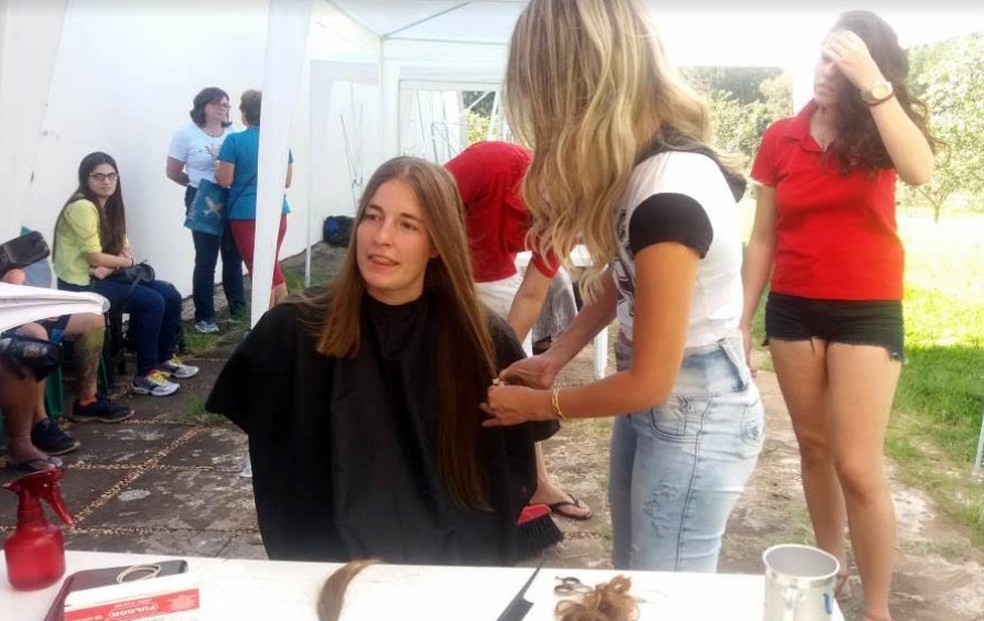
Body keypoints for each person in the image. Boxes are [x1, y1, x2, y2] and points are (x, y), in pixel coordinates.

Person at [483, 0, 764, 573]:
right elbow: (626, 277)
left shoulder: (667, 196)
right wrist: (556, 354)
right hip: (666, 402)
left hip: (693, 408)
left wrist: (537, 405)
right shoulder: (644, 171)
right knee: (637, 572)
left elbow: (648, 383)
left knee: (668, 594)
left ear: (573, 88)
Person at [206, 156, 556, 565]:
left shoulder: (483, 341)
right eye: (373, 217)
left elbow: (511, 465)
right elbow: (269, 441)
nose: (381, 237)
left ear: (438, 243)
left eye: (407, 224)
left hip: (449, 566)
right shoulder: (293, 330)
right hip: (327, 563)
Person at [741, 11, 936, 621]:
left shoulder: (880, 128)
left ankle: (876, 610)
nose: (826, 71)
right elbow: (763, 239)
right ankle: (828, 569)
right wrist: (742, 322)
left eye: (841, 60)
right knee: (813, 448)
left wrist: (872, 82)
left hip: (867, 310)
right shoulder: (780, 137)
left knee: (857, 464)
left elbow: (922, 170)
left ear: (865, 68)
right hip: (795, 307)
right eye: (823, 56)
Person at [445, 140, 590, 521]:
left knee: (515, 369)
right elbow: (421, 210)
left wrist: (498, 358)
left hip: (494, 278)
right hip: (437, 271)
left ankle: (535, 480)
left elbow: (531, 294)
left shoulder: (567, 216)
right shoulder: (489, 163)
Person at [53, 151, 199, 398]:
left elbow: (121, 249)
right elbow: (95, 258)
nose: (106, 181)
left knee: (171, 294)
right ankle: (144, 375)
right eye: (98, 176)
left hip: (104, 277)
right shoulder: (82, 207)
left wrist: (114, 263)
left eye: (111, 176)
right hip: (81, 284)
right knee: (152, 302)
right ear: (85, 178)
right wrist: (124, 262)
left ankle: (164, 358)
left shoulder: (110, 205)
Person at [166, 87, 246, 334]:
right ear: (204, 106)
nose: (223, 108)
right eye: (218, 104)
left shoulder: (232, 134)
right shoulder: (186, 135)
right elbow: (173, 171)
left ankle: (238, 310)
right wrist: (198, 186)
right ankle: (205, 316)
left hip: (230, 196)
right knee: (206, 258)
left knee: (233, 256)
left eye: (227, 105)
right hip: (202, 199)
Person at [215, 89, 292, 308]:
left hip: (246, 213)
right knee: (271, 266)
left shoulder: (234, 141)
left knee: (260, 273)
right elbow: (286, 180)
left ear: (244, 114)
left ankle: (266, 326)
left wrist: (216, 168)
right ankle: (281, 322)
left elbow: (225, 180)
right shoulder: (279, 140)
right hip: (278, 210)